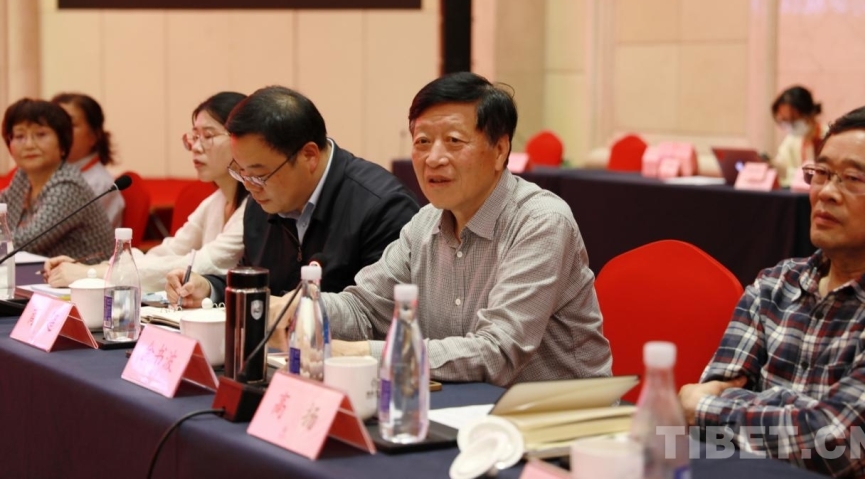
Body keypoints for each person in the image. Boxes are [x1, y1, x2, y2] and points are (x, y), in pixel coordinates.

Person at [317, 72, 612, 387]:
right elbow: (363, 309)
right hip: (463, 402)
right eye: (422, 142)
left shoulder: (540, 222)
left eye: (454, 141)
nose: (434, 158)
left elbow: (497, 351)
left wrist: (364, 353)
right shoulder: (423, 223)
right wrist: (300, 309)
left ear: (500, 151)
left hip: (561, 408)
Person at [678, 102, 865, 477]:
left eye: (853, 178)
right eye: (821, 173)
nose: (826, 192)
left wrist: (713, 408)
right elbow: (696, 422)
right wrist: (803, 416)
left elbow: (836, 444)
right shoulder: (775, 285)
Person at [165, 85, 420, 307]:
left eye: (259, 175)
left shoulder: (381, 207)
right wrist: (210, 288)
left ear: (309, 156)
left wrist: (291, 309)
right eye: (241, 172)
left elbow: (379, 314)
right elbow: (255, 282)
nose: (250, 187)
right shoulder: (259, 204)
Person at [42, 92, 249, 293]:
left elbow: (199, 265)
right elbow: (168, 252)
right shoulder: (215, 201)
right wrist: (94, 267)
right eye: (194, 137)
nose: (195, 147)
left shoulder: (253, 208)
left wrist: (91, 274)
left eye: (208, 136)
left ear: (240, 140)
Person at [0, 99, 113, 261]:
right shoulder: (23, 175)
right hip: (39, 271)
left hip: (87, 273)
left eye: (41, 134)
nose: (29, 145)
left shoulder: (68, 186)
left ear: (63, 145)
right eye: (19, 136)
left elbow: (25, 243)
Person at [50, 92, 125, 228]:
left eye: (70, 124)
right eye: (55, 124)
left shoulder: (98, 185)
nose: (60, 131)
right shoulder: (49, 173)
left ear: (94, 136)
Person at [770, 86, 827, 186]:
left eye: (792, 119)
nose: (789, 125)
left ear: (807, 113)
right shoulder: (791, 140)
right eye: (784, 120)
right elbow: (781, 166)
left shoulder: (828, 136)